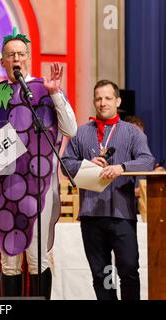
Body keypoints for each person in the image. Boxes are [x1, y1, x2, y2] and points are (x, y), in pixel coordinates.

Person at [0, 28, 77, 299]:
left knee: (37, 259)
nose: (17, 59)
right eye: (11, 54)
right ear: (2, 61)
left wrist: (56, 94)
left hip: (39, 186)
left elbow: (70, 129)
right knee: (9, 261)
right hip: (4, 186)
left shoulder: (45, 89)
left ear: (29, 58)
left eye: (21, 54)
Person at [61, 79, 156, 300]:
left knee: (129, 270)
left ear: (118, 101)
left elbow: (148, 161)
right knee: (103, 275)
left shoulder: (132, 133)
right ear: (94, 102)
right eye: (98, 98)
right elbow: (65, 164)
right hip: (91, 216)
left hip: (122, 215)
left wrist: (121, 167)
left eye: (108, 98)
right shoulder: (81, 133)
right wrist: (86, 165)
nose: (103, 103)